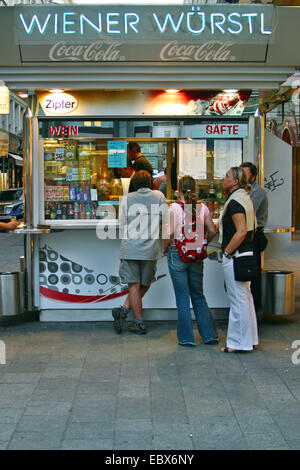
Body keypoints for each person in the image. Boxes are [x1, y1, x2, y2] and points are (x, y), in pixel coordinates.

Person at [163, 175, 218, 347]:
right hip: (197, 254)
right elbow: (212, 230)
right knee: (198, 295)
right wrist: (203, 243)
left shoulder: (174, 208)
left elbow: (169, 234)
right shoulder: (202, 208)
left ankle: (187, 338)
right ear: (195, 189)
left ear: (178, 189)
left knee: (182, 297)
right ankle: (209, 336)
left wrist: (165, 248)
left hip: (176, 253)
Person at [112, 170, 167, 335]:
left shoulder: (127, 199)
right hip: (150, 249)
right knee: (146, 283)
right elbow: (165, 222)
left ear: (133, 184)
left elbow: (122, 224)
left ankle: (127, 313)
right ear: (150, 182)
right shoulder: (159, 196)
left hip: (131, 248)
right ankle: (134, 319)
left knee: (134, 285)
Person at [219, 167, 258, 353]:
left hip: (235, 255)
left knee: (238, 300)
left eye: (227, 176)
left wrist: (227, 252)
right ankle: (250, 339)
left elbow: (241, 230)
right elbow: (250, 230)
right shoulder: (245, 198)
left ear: (235, 181)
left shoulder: (234, 202)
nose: (223, 178)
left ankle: (237, 343)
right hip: (246, 253)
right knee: (245, 298)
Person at [240, 162, 268, 313]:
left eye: (245, 175)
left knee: (252, 275)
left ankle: (254, 312)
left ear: (253, 176)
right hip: (247, 235)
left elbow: (246, 214)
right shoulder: (243, 192)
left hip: (253, 236)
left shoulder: (257, 192)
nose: (242, 178)